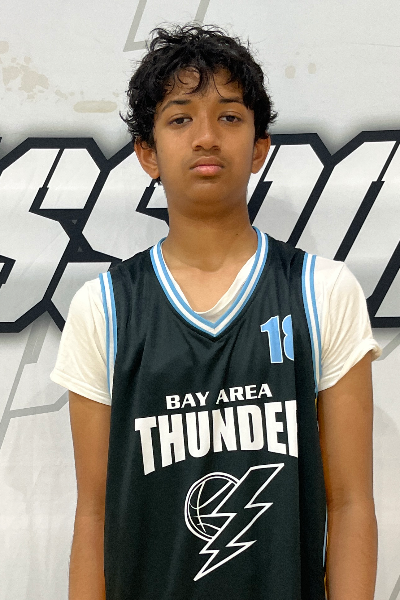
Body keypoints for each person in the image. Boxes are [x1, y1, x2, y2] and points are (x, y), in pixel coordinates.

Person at [51, 24, 381, 600]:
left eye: (229, 116)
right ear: (147, 153)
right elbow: (95, 514)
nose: (206, 137)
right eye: (180, 119)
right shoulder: (104, 307)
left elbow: (351, 503)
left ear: (259, 148)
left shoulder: (321, 290)